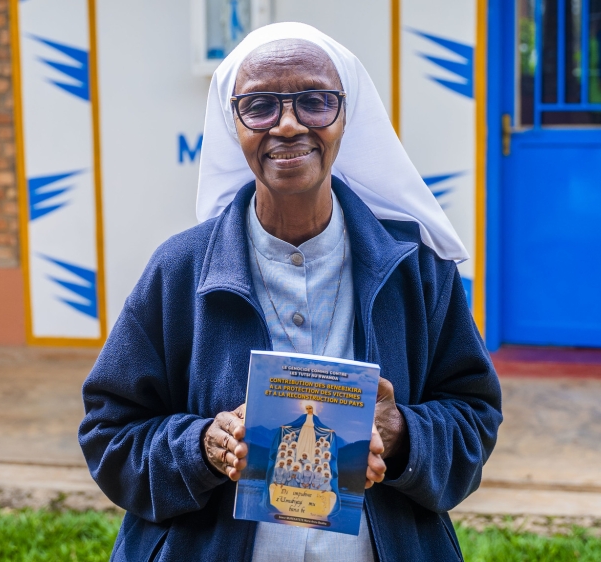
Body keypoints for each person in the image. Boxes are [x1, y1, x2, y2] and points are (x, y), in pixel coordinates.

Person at [79, 22, 502, 562]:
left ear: (347, 115)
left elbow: (474, 414)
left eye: (315, 101)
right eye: (259, 105)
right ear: (234, 123)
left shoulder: (416, 269)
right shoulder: (180, 270)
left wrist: (402, 435)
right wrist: (203, 446)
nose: (287, 124)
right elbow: (109, 432)